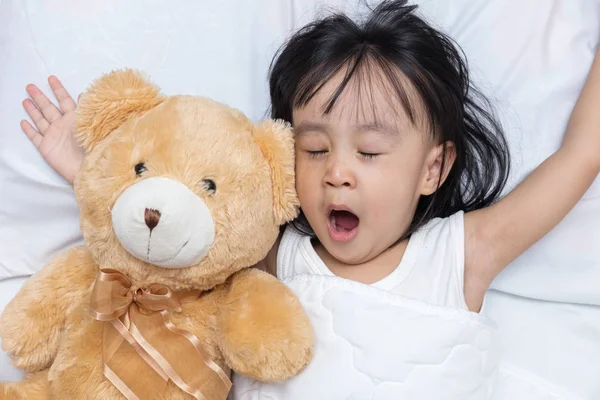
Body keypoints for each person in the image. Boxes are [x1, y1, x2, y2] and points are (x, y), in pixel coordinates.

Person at [16, 1, 600, 398]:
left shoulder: (461, 254)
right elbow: (180, 238)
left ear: (434, 167)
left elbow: (580, 156)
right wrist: (90, 173)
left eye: (370, 153)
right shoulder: (279, 256)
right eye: (315, 149)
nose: (337, 173)